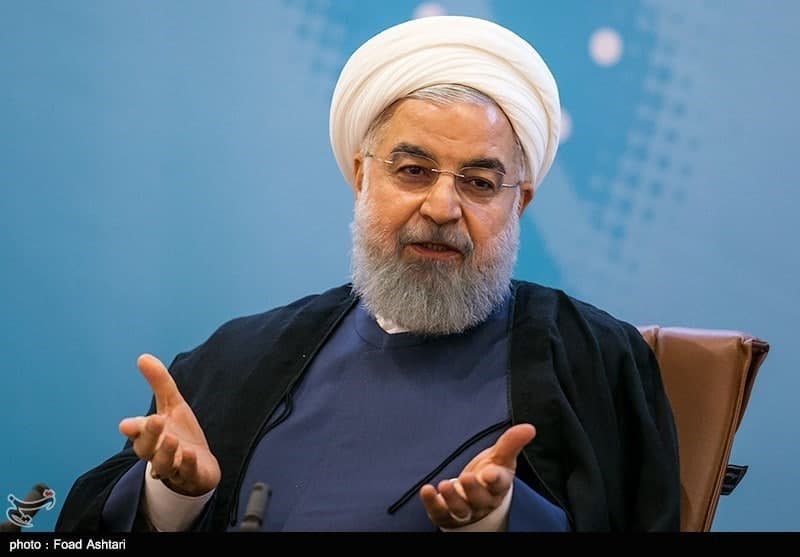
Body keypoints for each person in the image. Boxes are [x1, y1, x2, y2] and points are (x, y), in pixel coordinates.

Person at [55, 15, 680, 533]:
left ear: (520, 202)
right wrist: (174, 498)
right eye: (413, 172)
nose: (442, 207)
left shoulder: (594, 361)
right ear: (361, 176)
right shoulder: (237, 361)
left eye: (479, 182)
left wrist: (498, 521)